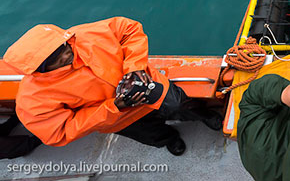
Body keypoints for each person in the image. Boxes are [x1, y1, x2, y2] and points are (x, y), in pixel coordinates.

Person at [2, 17, 222, 155]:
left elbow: (129, 29)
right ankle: (170, 140)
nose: (68, 52)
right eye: (56, 58)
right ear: (39, 68)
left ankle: (205, 116)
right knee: (150, 134)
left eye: (64, 46)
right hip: (117, 117)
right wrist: (113, 107)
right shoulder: (33, 99)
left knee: (182, 104)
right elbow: (60, 132)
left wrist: (134, 69)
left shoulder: (85, 35)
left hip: (148, 86)